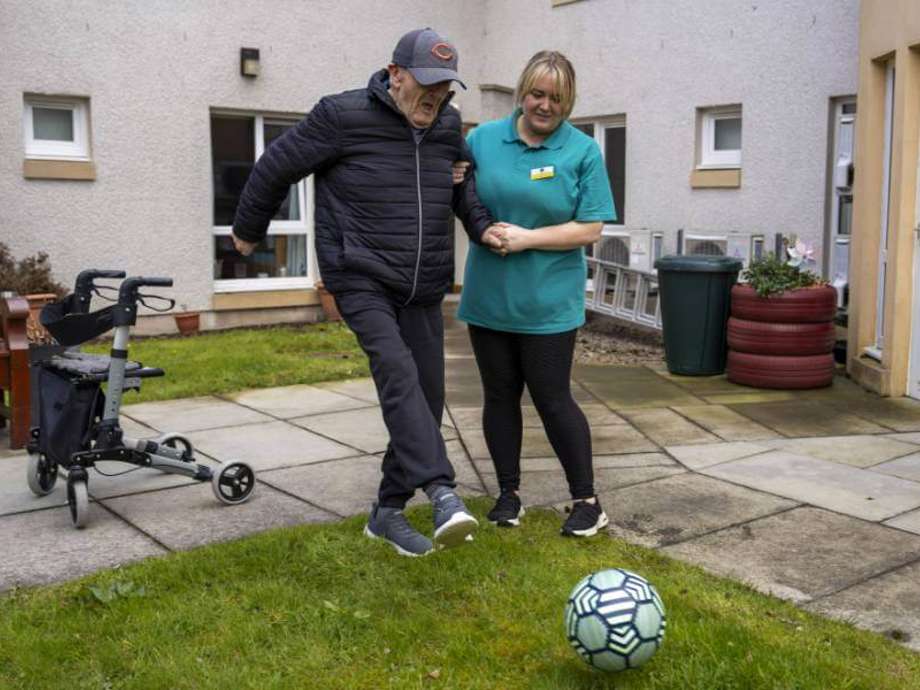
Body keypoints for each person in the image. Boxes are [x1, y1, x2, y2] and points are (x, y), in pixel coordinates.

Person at [232, 28, 504, 557]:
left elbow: (461, 187)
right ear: (395, 74)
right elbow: (274, 167)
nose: (437, 96)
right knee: (397, 372)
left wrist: (482, 227)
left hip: (422, 283)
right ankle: (442, 491)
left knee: (426, 397)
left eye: (446, 86)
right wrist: (248, 230)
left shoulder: (447, 124)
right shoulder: (342, 116)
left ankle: (387, 513)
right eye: (426, 83)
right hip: (359, 274)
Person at [455, 50, 617, 537]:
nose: (545, 106)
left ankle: (587, 501)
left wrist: (526, 238)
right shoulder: (482, 140)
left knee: (552, 398)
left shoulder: (581, 151)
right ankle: (507, 496)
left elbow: (591, 228)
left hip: (548, 303)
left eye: (557, 99)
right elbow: (464, 197)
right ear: (523, 91)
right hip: (488, 297)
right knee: (499, 396)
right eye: (538, 94)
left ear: (568, 102)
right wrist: (482, 231)